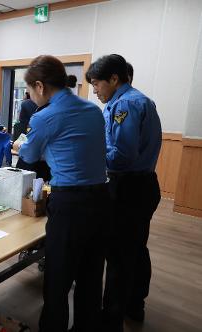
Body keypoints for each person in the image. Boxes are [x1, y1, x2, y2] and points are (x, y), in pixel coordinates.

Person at [14, 55, 110, 332]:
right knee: (91, 276)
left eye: (30, 90)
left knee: (58, 278)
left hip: (70, 203)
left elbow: (30, 154)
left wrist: (23, 146)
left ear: (40, 86)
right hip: (101, 198)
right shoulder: (93, 110)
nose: (31, 96)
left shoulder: (44, 116)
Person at [86, 54, 161, 331]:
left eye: (96, 84)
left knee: (118, 255)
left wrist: (90, 152)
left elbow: (121, 156)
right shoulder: (139, 100)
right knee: (135, 249)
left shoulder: (125, 104)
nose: (95, 91)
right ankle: (134, 305)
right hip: (143, 184)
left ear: (114, 79)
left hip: (129, 187)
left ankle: (111, 319)